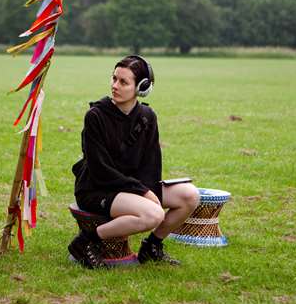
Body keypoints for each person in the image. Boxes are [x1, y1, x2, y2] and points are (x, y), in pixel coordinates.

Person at [69, 55, 200, 268]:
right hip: (97, 188)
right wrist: (145, 193)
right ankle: (86, 241)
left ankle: (152, 246)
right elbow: (101, 170)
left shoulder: (148, 116)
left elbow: (151, 164)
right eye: (114, 79)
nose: (115, 86)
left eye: (123, 82)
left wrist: (148, 189)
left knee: (189, 196)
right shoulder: (95, 116)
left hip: (132, 188)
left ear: (142, 87)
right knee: (153, 214)